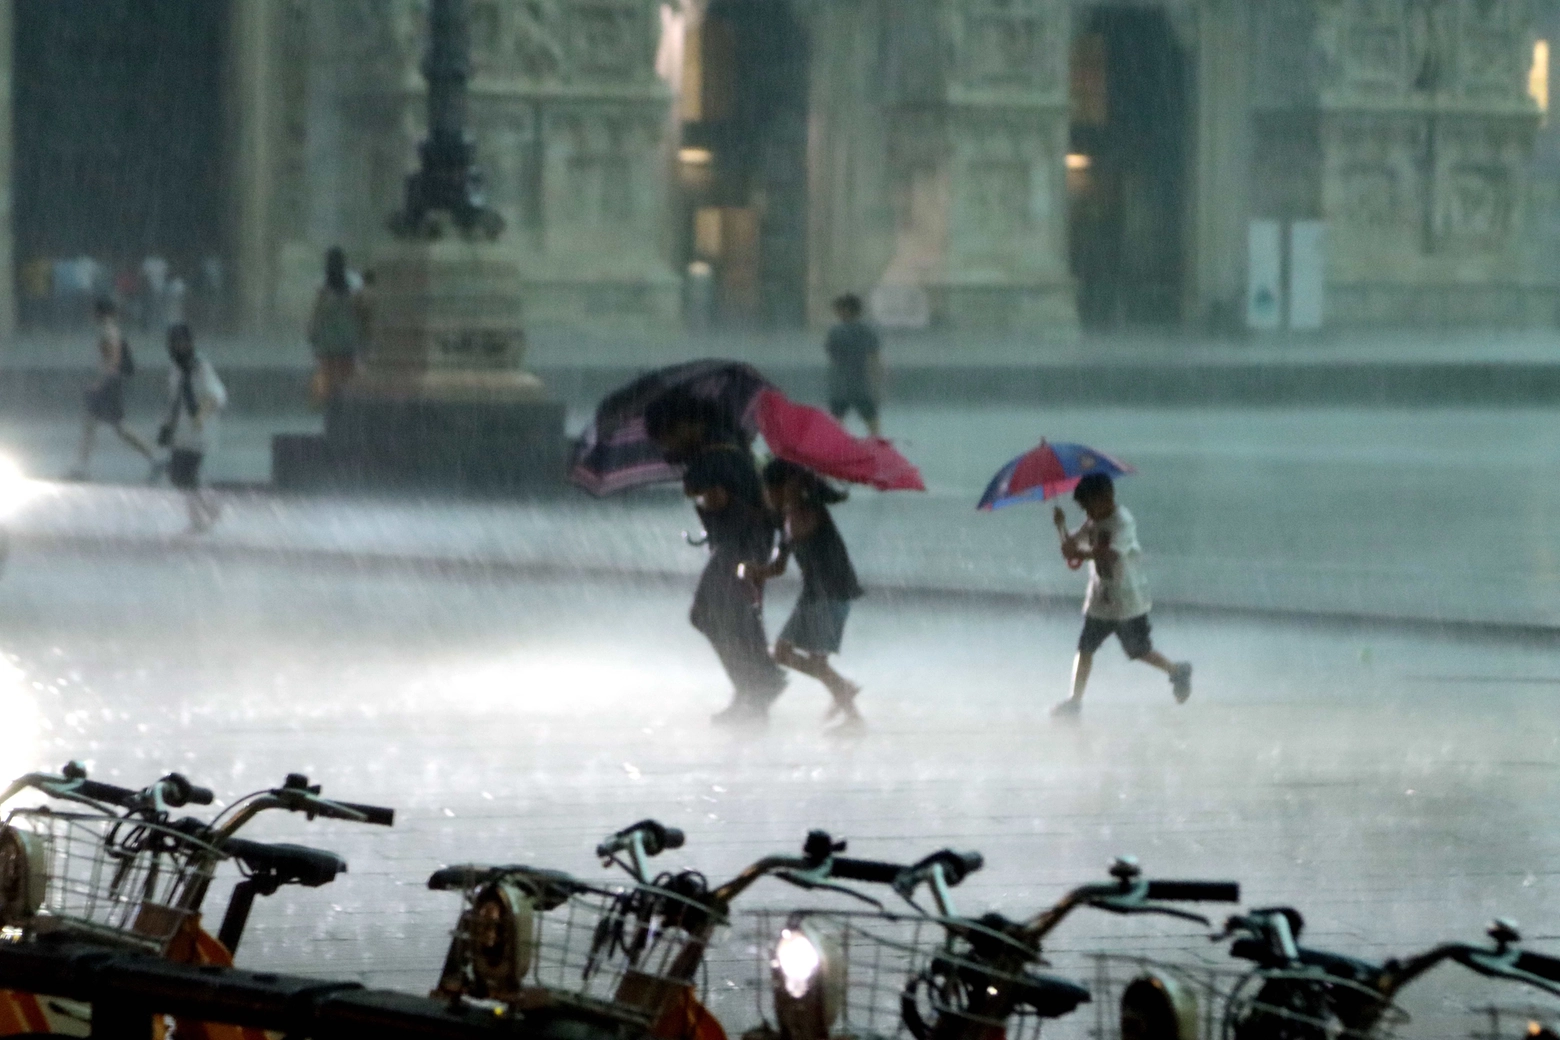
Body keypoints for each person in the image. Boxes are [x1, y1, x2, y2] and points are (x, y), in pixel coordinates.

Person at [644, 388, 787, 727]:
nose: (668, 446)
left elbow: (719, 502)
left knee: (709, 613)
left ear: (689, 425)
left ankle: (759, 683)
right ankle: (753, 691)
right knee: (736, 614)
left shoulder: (712, 457)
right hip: (754, 542)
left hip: (742, 546)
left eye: (669, 436)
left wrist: (701, 491)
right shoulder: (730, 444)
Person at [1050, 473, 1191, 717]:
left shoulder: (1122, 522)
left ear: (1106, 497)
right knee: (1085, 648)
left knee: (1138, 651)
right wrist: (1061, 528)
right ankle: (1074, 701)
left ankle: (1176, 671)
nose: (1086, 513)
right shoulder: (1092, 521)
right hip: (1100, 601)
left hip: (1127, 602)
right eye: (1083, 508)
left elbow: (1110, 555)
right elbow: (1071, 546)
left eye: (1088, 506)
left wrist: (1080, 554)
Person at [754, 459, 865, 728]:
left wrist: (792, 497)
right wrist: (750, 572)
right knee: (807, 660)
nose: (765, 497)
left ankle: (848, 703)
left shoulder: (807, 513)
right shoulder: (789, 518)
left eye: (768, 490)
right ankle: (846, 701)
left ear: (785, 488)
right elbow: (778, 567)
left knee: (788, 654)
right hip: (817, 594)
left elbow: (798, 533)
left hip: (830, 593)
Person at [68, 299, 158, 481]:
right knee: (93, 425)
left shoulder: (110, 331)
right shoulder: (108, 330)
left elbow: (114, 361)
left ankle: (155, 458)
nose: (91, 315)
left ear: (100, 313)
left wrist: (99, 383)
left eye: (94, 312)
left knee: (118, 428)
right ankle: (81, 467)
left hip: (110, 383)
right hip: (110, 382)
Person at [158, 324, 228, 534]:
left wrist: (201, 415)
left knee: (186, 474)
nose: (179, 347)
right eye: (175, 343)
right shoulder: (177, 368)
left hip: (198, 431)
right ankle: (204, 511)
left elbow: (216, 394)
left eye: (182, 342)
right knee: (180, 476)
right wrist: (168, 424)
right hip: (182, 431)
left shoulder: (200, 366)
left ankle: (207, 510)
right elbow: (174, 399)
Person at [306, 247, 366, 407]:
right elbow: (360, 311)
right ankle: (347, 402)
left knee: (326, 372)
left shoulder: (323, 284)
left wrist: (312, 332)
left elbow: (317, 313)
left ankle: (324, 402)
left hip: (328, 337)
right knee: (347, 372)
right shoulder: (355, 282)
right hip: (347, 335)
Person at [824, 293, 884, 437]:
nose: (837, 313)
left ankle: (837, 446)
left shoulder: (836, 332)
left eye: (839, 309)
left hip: (841, 384)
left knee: (837, 419)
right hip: (861, 383)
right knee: (871, 418)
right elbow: (875, 358)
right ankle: (877, 444)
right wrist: (878, 382)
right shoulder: (867, 331)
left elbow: (832, 356)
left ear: (847, 310)